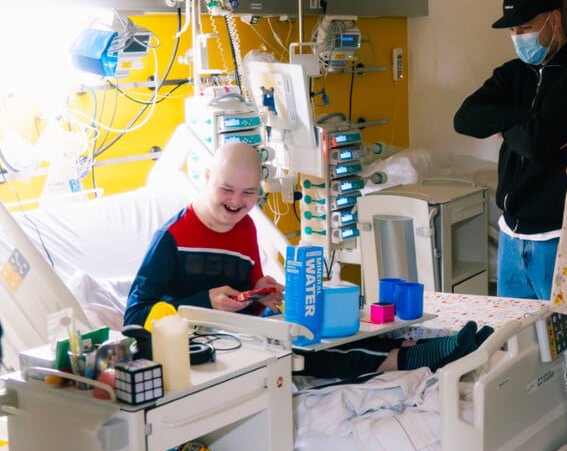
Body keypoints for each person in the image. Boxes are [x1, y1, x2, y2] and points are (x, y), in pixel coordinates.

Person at [125, 141, 490, 379]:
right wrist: (204, 302)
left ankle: (423, 347)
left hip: (247, 331)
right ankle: (411, 359)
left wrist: (262, 291)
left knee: (327, 332)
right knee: (304, 353)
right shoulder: (172, 238)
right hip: (205, 347)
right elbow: (135, 317)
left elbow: (251, 295)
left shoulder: (245, 227)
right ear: (205, 178)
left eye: (249, 192)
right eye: (226, 189)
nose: (236, 202)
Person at [453, 0, 567, 451]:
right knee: (520, 359)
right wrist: (522, 121)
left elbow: (534, 141)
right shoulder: (514, 73)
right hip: (512, 237)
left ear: (554, 20)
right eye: (512, 30)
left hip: (563, 236)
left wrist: (509, 124)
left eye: (526, 27)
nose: (518, 37)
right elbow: (465, 118)